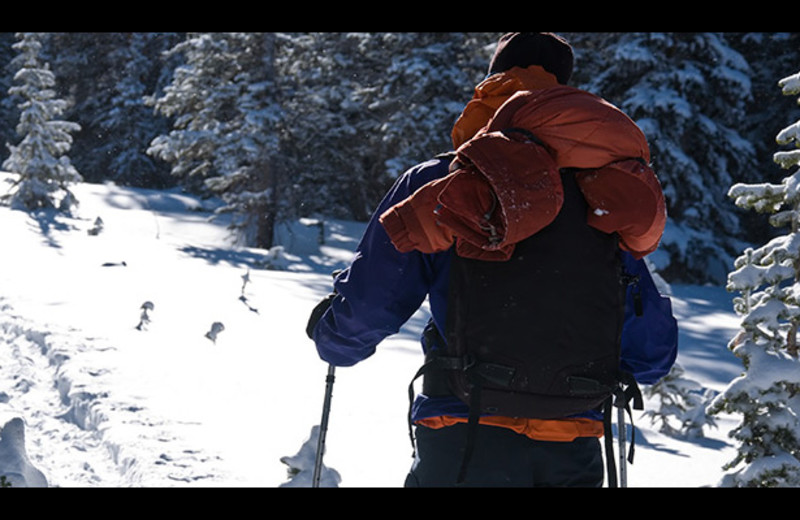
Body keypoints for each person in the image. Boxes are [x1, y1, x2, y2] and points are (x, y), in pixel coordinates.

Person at [309, 32, 675, 487]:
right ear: (565, 95)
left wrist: (333, 337)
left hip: (462, 431)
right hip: (572, 441)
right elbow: (651, 357)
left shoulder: (444, 183)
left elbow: (370, 305)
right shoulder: (603, 196)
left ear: (490, 87)